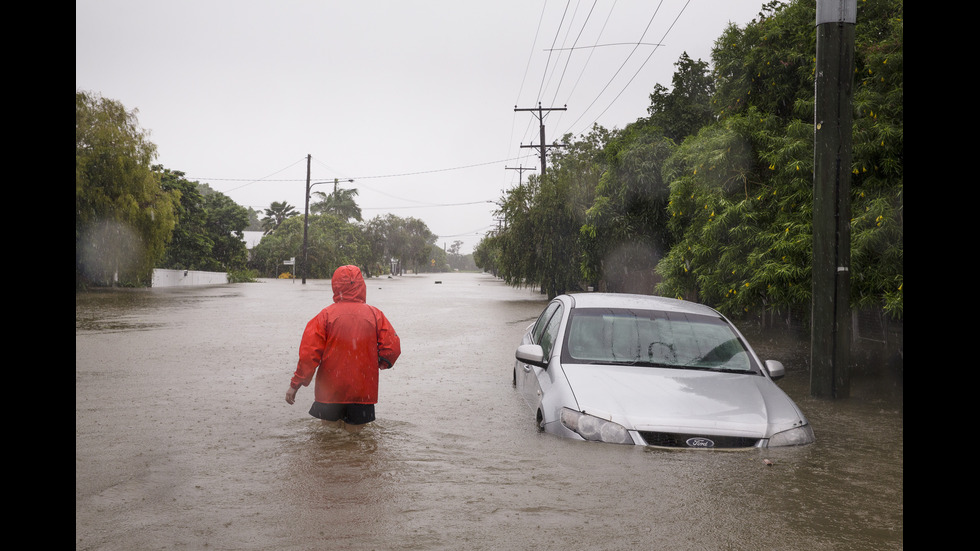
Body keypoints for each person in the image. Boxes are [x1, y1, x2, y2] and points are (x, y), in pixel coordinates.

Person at [285, 265, 401, 433]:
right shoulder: (375, 315)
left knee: (330, 440)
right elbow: (392, 347)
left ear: (335, 285)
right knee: (355, 442)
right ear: (361, 285)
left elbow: (309, 355)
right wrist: (380, 362)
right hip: (362, 392)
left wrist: (294, 385)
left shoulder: (325, 316)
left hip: (330, 392)